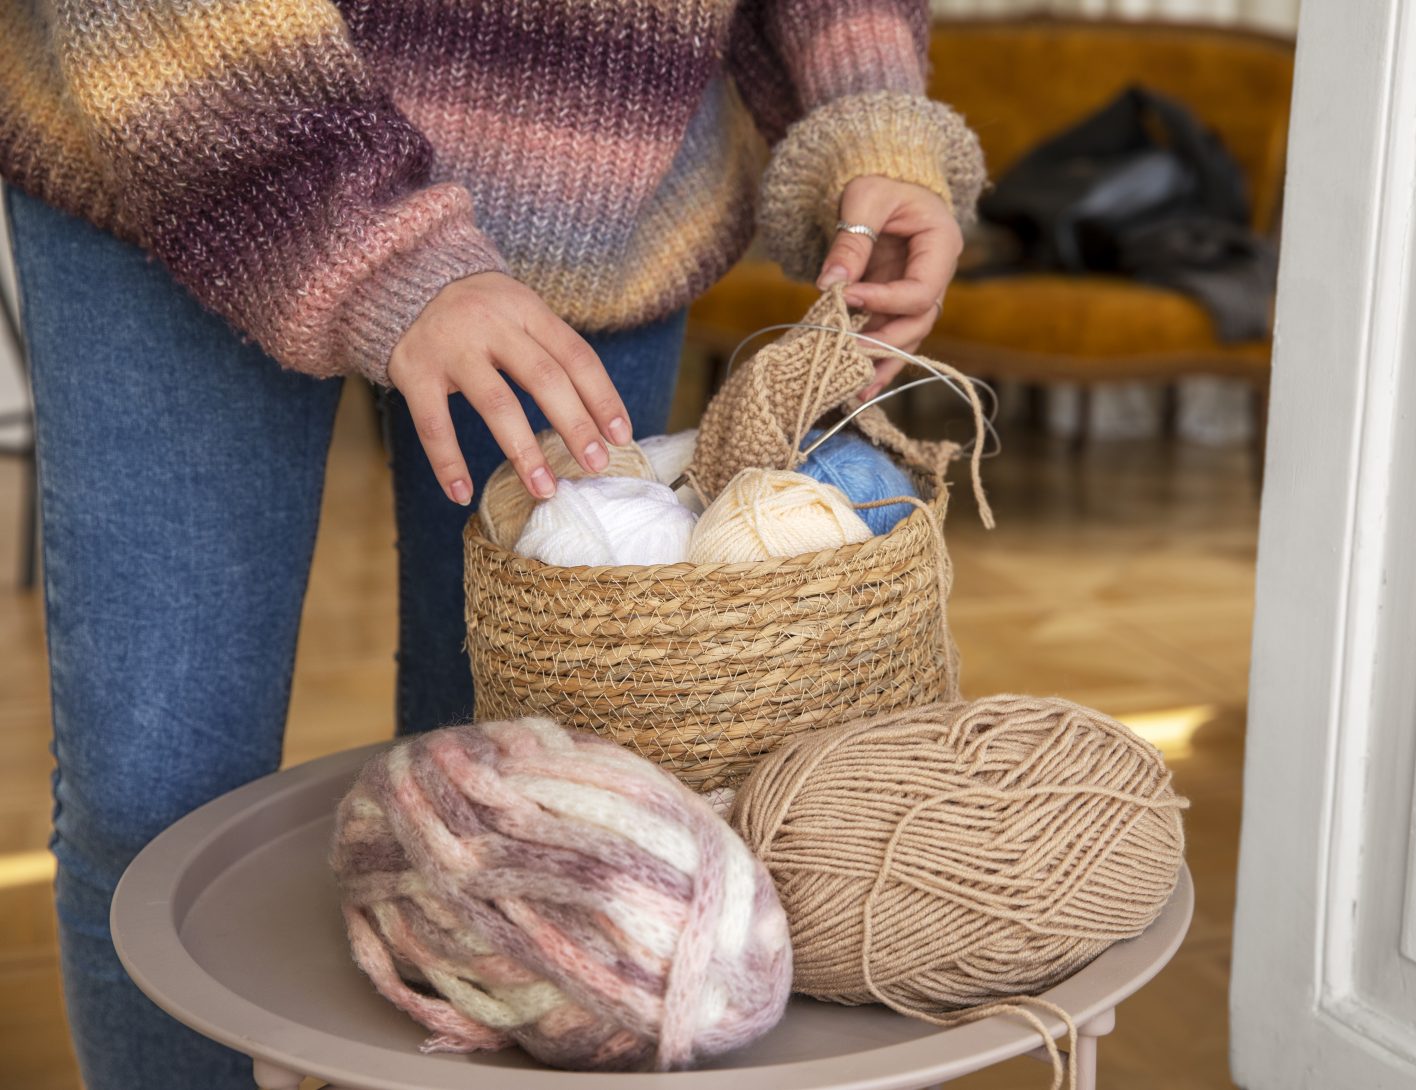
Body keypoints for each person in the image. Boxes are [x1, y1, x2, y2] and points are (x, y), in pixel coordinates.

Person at [0, 1, 983, 1086]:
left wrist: (865, 115)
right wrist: (379, 245)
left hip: (593, 190)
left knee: (542, 829)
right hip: (175, 128)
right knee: (155, 812)